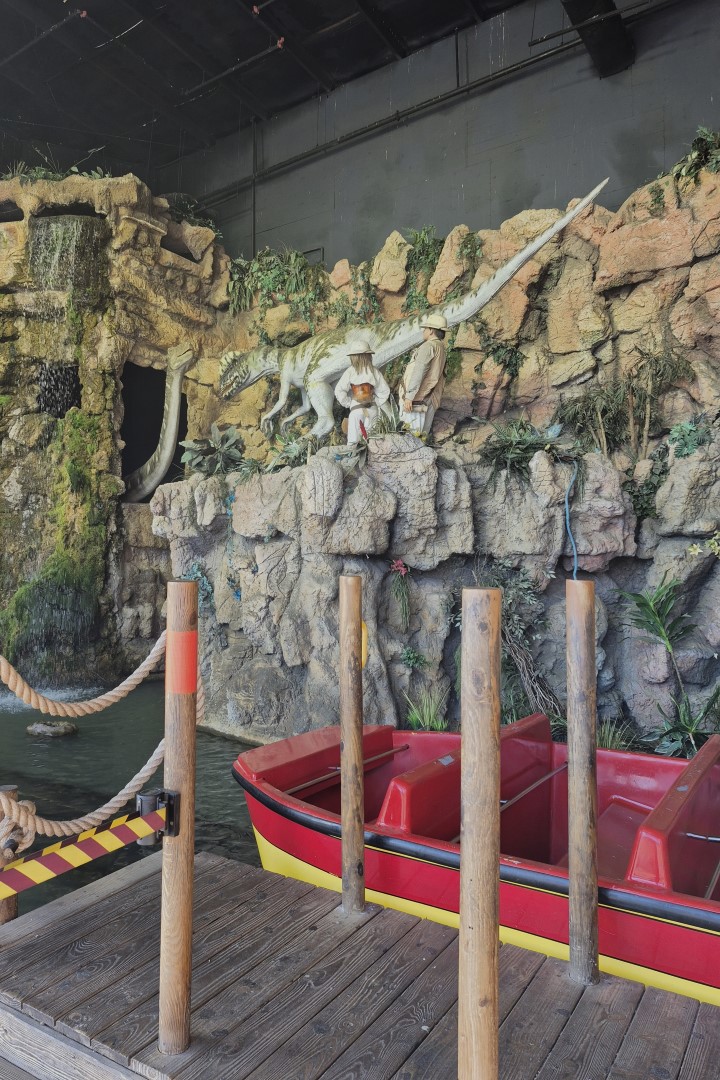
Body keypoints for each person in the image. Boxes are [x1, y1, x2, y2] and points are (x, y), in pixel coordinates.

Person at [397, 313, 448, 435]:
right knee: (421, 436)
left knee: (410, 437)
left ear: (431, 331)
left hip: (417, 399)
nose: (423, 331)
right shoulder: (441, 347)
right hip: (430, 398)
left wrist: (409, 397)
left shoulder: (428, 346)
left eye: (425, 328)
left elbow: (419, 372)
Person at [334, 340, 392, 444]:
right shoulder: (374, 371)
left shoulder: (350, 371)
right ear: (368, 355)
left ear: (353, 357)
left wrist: (349, 403)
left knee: (353, 441)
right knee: (373, 441)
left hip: (356, 409)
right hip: (372, 409)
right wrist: (376, 402)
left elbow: (339, 390)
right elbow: (384, 391)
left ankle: (353, 454)